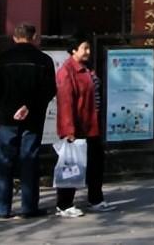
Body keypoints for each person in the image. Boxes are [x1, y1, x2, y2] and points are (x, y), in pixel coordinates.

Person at [0, 23, 57, 220]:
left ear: (14, 38)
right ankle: (29, 207)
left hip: (6, 118)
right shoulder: (44, 60)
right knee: (30, 160)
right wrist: (29, 107)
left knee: (5, 161)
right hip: (33, 118)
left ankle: (1, 208)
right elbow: (49, 90)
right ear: (34, 37)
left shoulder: (2, 59)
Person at [55, 33, 115, 217]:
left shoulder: (87, 68)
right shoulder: (67, 71)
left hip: (92, 125)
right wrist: (69, 129)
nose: (88, 51)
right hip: (78, 126)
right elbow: (65, 102)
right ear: (74, 50)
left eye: (89, 48)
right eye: (85, 48)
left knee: (95, 164)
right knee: (72, 164)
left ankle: (95, 199)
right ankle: (64, 204)